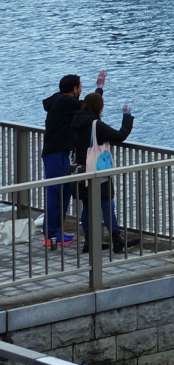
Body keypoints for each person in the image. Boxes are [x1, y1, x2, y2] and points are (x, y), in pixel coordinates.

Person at [39, 71, 100, 248]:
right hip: (55, 154)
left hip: (61, 153)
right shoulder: (66, 102)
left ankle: (56, 231)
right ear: (74, 89)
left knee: (64, 191)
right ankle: (50, 235)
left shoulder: (59, 99)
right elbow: (87, 108)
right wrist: (99, 91)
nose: (81, 89)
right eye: (80, 86)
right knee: (55, 191)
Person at [73, 91, 137, 253]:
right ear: (98, 107)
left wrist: (99, 89)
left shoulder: (75, 120)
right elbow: (119, 135)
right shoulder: (96, 125)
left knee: (87, 206)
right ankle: (117, 240)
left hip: (79, 171)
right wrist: (127, 117)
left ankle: (90, 242)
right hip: (97, 171)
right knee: (107, 202)